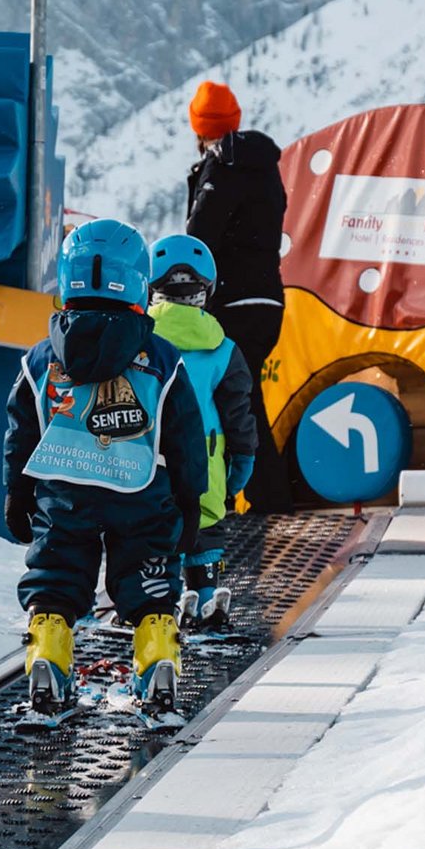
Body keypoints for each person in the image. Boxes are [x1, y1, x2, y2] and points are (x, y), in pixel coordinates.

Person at [4, 219, 207, 722]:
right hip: (141, 490)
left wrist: (17, 493)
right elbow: (183, 436)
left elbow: (21, 432)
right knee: (148, 576)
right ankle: (156, 656)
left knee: (57, 576)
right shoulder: (162, 358)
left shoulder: (41, 358)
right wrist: (189, 500)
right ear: (138, 281)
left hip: (63, 490)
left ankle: (49, 656)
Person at [183, 80, 290, 511]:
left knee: (226, 399)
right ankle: (258, 496)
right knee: (243, 398)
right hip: (268, 300)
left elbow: (199, 240)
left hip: (231, 302)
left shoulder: (220, 168)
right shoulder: (265, 166)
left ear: (198, 128)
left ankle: (253, 499)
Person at [147, 233, 258, 630]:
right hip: (206, 465)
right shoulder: (224, 350)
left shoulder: (138, 342)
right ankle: (207, 597)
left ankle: (159, 598)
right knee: (205, 528)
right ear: (206, 290)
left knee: (154, 530)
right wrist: (240, 466)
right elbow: (239, 417)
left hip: (147, 464)